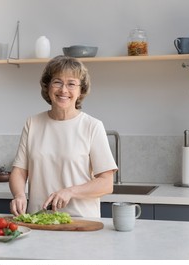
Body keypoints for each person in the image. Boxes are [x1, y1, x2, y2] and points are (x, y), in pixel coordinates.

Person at [9, 55, 118, 218]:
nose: (63, 90)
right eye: (57, 82)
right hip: (39, 220)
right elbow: (19, 171)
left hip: (80, 222)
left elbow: (106, 183)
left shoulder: (92, 126)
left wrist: (71, 192)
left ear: (81, 90)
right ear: (47, 86)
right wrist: (19, 195)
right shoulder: (33, 123)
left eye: (71, 84)